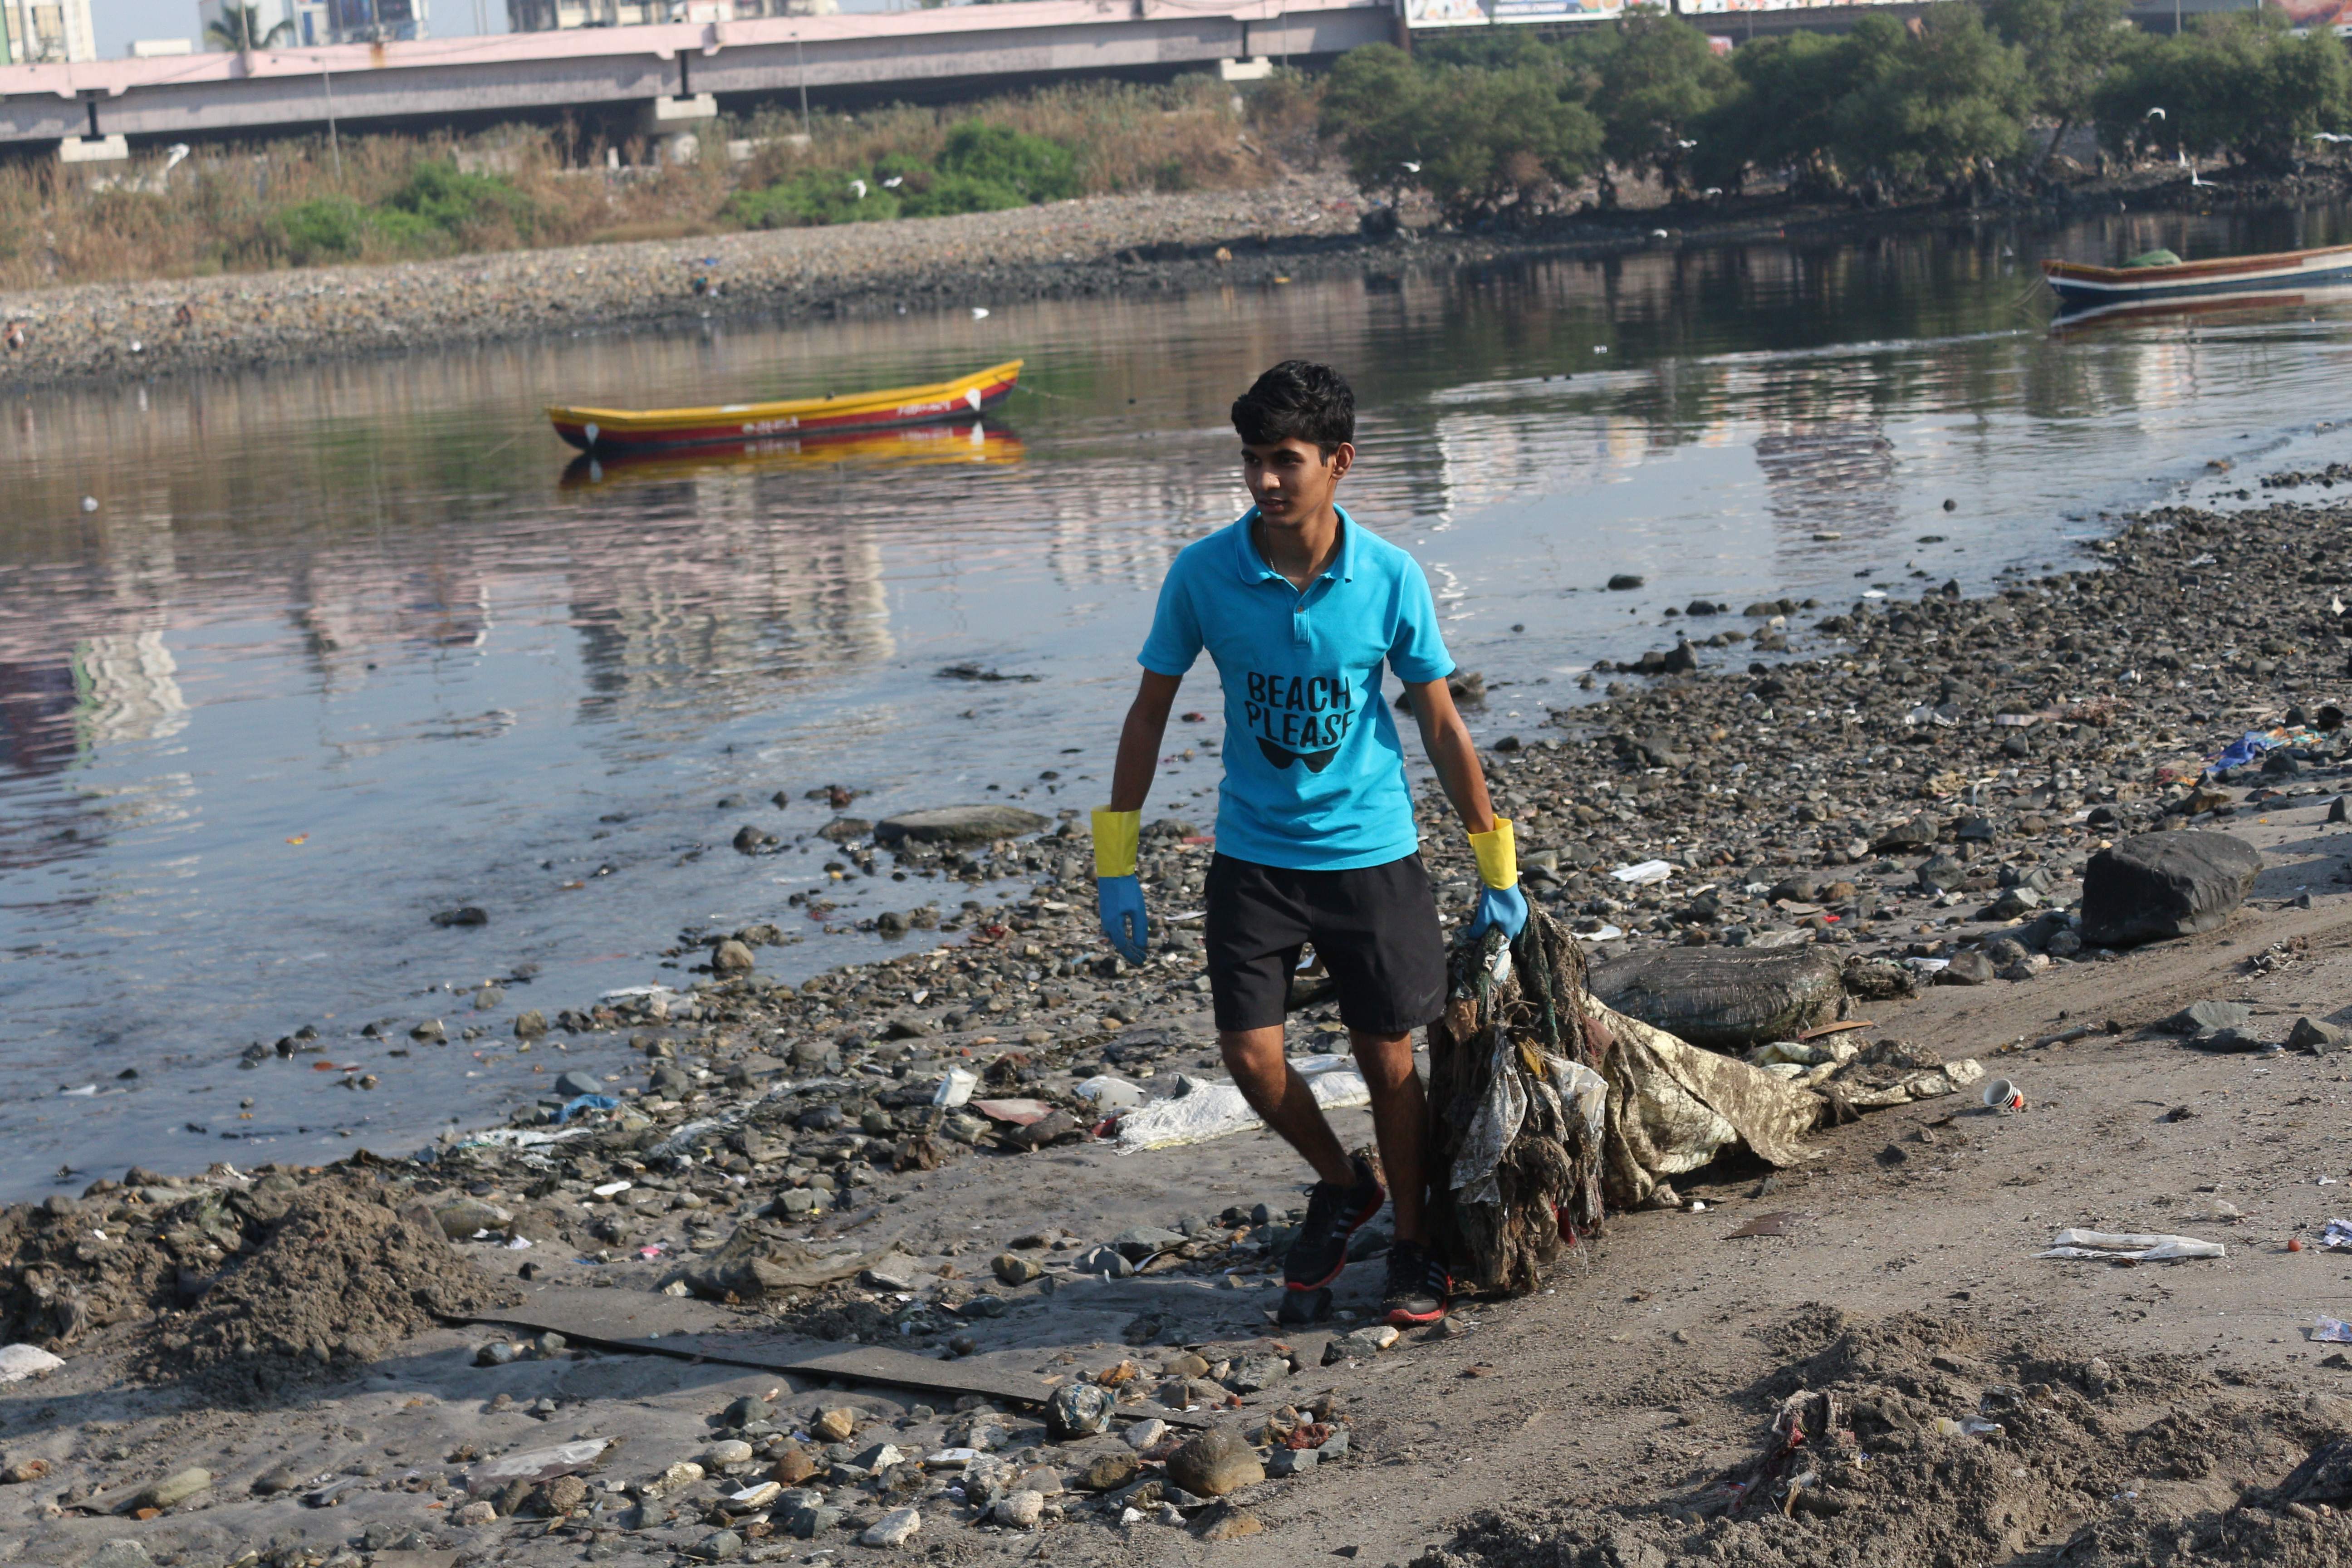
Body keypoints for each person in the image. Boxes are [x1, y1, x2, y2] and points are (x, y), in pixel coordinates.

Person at [1091, 360, 1527, 1328]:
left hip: (1372, 852)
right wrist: (1114, 859)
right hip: (1255, 852)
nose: (1265, 483)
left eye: (1285, 461)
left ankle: (1414, 1248)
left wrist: (1494, 863)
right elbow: (1149, 712)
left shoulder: (1389, 576)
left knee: (1389, 1063)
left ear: (1340, 462)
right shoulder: (1204, 573)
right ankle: (1344, 1182)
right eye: (1252, 462)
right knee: (1249, 1057)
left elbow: (1442, 727)